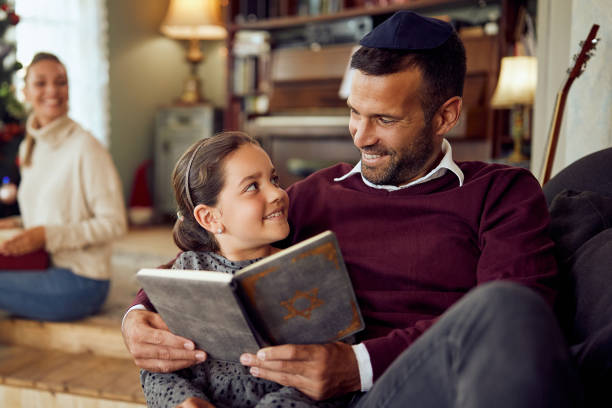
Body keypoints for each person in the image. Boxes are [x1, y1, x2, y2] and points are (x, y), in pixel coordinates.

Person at [123, 12, 582, 407]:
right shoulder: (315, 194)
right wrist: (137, 317)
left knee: (505, 307)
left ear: (446, 115)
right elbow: (212, 257)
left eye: (385, 119)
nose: (360, 136)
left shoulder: (501, 193)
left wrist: (359, 365)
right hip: (311, 399)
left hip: (429, 384)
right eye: (354, 112)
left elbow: (520, 316)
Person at [140, 131, 354, 408]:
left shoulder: (308, 271)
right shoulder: (187, 270)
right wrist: (186, 402)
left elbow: (327, 376)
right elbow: (159, 366)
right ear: (210, 217)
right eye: (253, 186)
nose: (278, 193)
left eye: (273, 179)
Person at [0, 52, 127, 321]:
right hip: (41, 266)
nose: (52, 91)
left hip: (81, 281)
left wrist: (46, 236)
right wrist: (16, 225)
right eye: (41, 83)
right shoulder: (29, 146)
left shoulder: (85, 147)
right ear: (25, 92)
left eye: (60, 82)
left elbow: (114, 223)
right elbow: (54, 213)